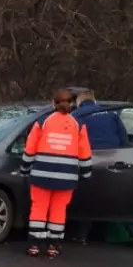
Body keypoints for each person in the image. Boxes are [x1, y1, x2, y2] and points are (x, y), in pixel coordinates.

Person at [70, 89, 133, 248]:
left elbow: (73, 140)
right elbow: (124, 138)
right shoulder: (111, 114)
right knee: (120, 200)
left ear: (79, 102)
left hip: (91, 160)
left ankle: (81, 236)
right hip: (115, 160)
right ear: (94, 100)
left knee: (88, 199)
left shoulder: (77, 116)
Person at [20, 88, 93, 257]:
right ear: (72, 104)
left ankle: (35, 245)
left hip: (41, 174)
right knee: (59, 210)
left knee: (39, 208)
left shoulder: (43, 122)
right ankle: (53, 245)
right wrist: (86, 174)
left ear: (53, 103)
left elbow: (30, 149)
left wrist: (25, 169)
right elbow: (85, 152)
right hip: (67, 177)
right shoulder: (78, 125)